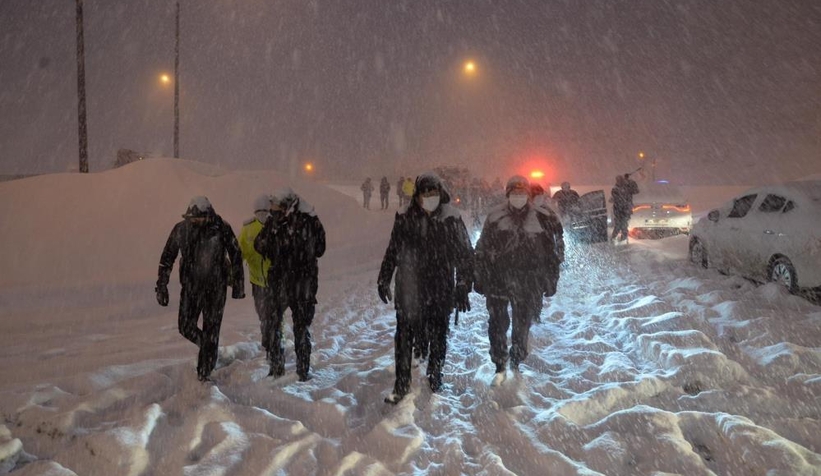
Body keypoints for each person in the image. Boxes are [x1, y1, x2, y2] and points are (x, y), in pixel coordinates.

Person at [377, 172, 473, 404]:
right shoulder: (404, 217)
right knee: (403, 336)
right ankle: (401, 385)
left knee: (438, 335)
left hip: (440, 288)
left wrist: (463, 284)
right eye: (425, 193)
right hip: (409, 288)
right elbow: (393, 250)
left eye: (434, 193)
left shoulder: (451, 218)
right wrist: (384, 278)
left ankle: (435, 376)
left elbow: (465, 255)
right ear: (417, 196)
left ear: (441, 194)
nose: (430, 197)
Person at [474, 176, 563, 380]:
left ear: (528, 196)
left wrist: (551, 279)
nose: (518, 197)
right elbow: (482, 248)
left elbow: (551, 254)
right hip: (498, 280)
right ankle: (499, 363)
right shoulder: (495, 217)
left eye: (522, 193)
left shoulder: (541, 218)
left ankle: (516, 358)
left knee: (522, 324)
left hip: (528, 282)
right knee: (497, 323)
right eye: (514, 193)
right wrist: (478, 275)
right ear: (507, 195)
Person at [155, 196, 245, 382]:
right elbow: (167, 258)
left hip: (216, 289)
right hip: (190, 288)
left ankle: (204, 374)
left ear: (208, 215)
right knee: (185, 327)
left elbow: (236, 255)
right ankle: (208, 347)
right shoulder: (181, 229)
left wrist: (238, 286)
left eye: (199, 219)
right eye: (192, 219)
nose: (195, 222)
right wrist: (161, 285)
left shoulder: (221, 227)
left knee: (212, 328)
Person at [254, 188, 326, 381]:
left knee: (283, 325)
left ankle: (288, 369)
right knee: (288, 325)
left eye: (277, 207)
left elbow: (259, 244)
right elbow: (320, 248)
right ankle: (294, 369)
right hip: (296, 282)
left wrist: (279, 249)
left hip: (291, 281)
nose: (273, 210)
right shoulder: (307, 221)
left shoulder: (299, 221)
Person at [239, 194, 284, 374]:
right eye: (259, 211)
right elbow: (240, 252)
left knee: (274, 320)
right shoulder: (248, 229)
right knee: (264, 317)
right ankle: (270, 343)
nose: (262, 214)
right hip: (257, 282)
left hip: (275, 283)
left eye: (265, 211)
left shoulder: (278, 227)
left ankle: (276, 355)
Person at [610, 174, 639, 242]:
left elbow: (636, 190)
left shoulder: (626, 187)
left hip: (624, 209)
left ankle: (617, 237)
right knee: (621, 224)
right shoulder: (617, 189)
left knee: (622, 223)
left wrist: (629, 181)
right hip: (621, 209)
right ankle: (619, 237)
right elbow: (635, 190)